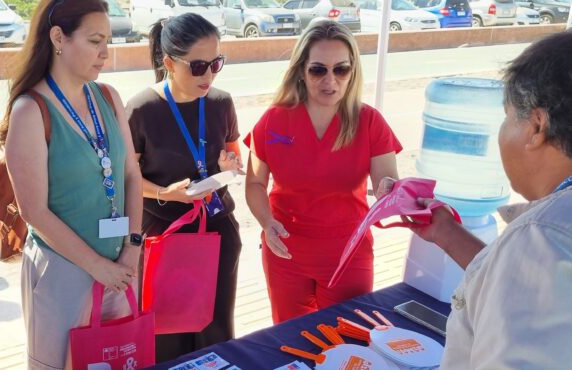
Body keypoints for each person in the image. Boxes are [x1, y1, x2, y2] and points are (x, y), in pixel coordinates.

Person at [410, 31, 572, 368]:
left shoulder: (540, 237)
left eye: (507, 115)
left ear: (537, 127)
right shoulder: (544, 235)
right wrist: (447, 233)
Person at [1, 0, 143, 368]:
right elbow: (34, 212)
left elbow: (130, 174)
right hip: (65, 270)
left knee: (119, 356)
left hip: (120, 266)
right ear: (58, 38)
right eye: (95, 41)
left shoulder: (108, 97)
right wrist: (97, 265)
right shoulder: (31, 111)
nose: (105, 53)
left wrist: (133, 247)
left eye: (108, 41)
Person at [244, 19, 401, 323]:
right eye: (318, 69)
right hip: (284, 251)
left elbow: (386, 180)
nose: (330, 80)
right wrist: (266, 222)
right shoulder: (273, 120)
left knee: (348, 341)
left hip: (348, 254)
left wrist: (390, 191)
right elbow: (254, 184)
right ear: (302, 70)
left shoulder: (369, 121)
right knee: (291, 342)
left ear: (352, 71)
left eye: (341, 69)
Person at [125, 13, 244, 361]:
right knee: (167, 336)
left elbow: (235, 158)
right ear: (169, 63)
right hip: (165, 236)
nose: (208, 75)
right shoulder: (141, 109)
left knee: (216, 331)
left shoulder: (221, 102)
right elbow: (126, 181)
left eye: (216, 63)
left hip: (217, 230)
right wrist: (165, 193)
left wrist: (229, 168)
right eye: (198, 66)